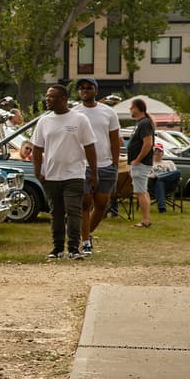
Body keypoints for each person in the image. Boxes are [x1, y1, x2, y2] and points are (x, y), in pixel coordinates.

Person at [32, 84, 97, 261]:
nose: (47, 99)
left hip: (74, 174)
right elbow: (37, 149)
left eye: (51, 97)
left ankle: (74, 249)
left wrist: (94, 172)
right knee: (56, 213)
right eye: (47, 96)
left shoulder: (80, 119)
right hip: (51, 175)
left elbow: (90, 147)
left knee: (74, 211)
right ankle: (57, 248)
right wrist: (38, 172)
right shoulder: (44, 121)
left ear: (63, 99)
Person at [73, 77, 120, 257]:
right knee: (85, 204)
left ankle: (88, 233)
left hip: (106, 164)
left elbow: (115, 139)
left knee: (101, 205)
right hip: (83, 165)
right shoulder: (75, 113)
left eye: (88, 88)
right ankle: (85, 242)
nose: (85, 91)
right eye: (82, 88)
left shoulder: (108, 112)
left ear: (96, 91)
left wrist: (115, 164)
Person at [127, 98, 155, 228]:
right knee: (143, 191)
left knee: (140, 192)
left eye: (132, 107)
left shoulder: (144, 123)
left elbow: (148, 143)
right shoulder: (141, 123)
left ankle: (145, 221)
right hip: (140, 164)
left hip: (141, 164)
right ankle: (146, 219)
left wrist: (138, 159)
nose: (130, 109)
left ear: (138, 108)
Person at [148, 143, 181, 213]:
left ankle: (159, 177)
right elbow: (146, 176)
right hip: (154, 186)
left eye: (160, 151)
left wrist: (158, 176)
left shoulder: (169, 163)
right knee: (159, 182)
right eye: (155, 151)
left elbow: (175, 175)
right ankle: (162, 209)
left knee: (177, 172)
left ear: (163, 153)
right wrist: (154, 177)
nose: (157, 153)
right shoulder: (148, 164)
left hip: (169, 186)